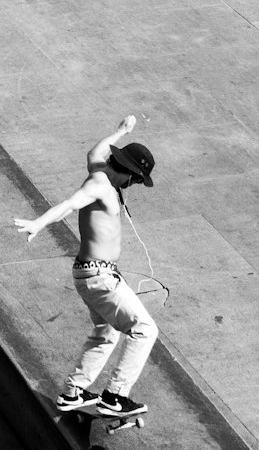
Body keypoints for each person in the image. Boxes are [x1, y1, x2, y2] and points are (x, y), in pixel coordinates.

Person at [14, 115, 157, 420]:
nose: (135, 186)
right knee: (144, 329)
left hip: (92, 274)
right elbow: (71, 204)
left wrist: (120, 132)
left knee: (107, 332)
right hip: (99, 277)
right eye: (137, 180)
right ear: (131, 174)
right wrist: (40, 222)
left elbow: (94, 152)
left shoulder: (100, 169)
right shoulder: (99, 184)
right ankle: (116, 396)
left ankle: (72, 393)